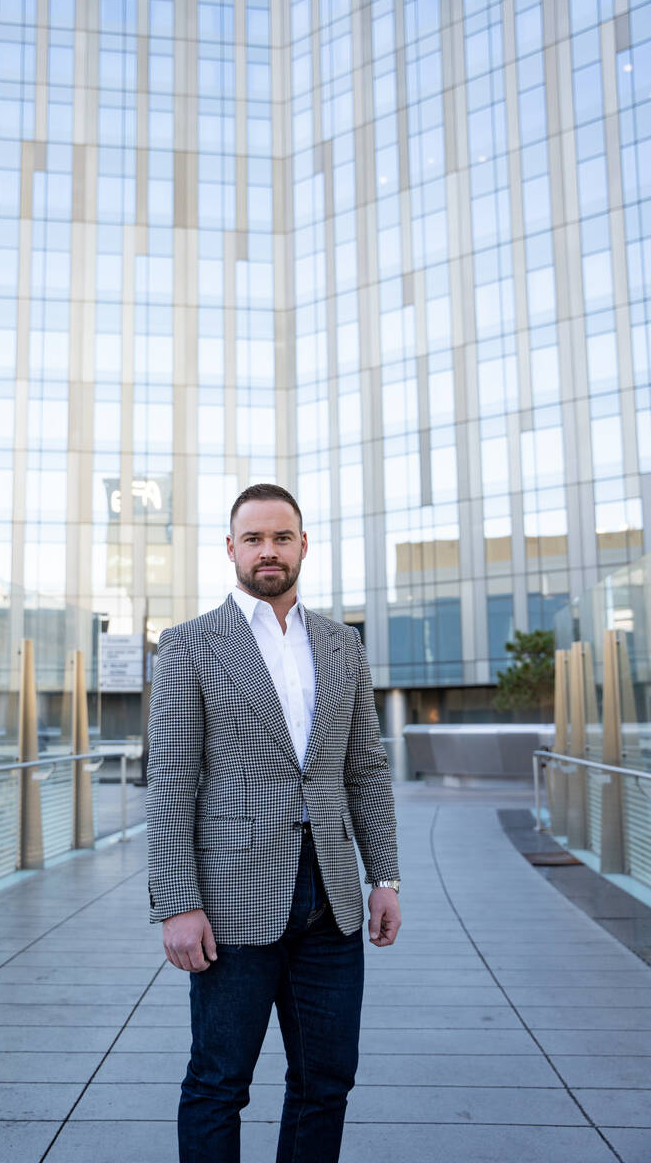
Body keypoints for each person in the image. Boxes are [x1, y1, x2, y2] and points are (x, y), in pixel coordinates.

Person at [147, 483, 401, 1163]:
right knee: (218, 1084)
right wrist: (178, 904)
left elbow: (366, 769)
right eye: (253, 538)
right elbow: (171, 781)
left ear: (303, 546)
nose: (268, 550)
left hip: (332, 905)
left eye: (281, 537)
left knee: (327, 1082)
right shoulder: (190, 645)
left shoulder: (342, 643)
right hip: (231, 906)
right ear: (230, 548)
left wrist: (387, 878)